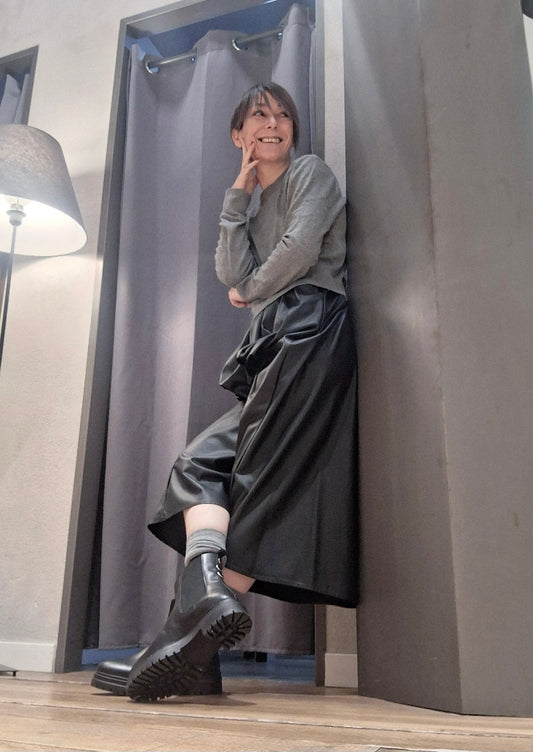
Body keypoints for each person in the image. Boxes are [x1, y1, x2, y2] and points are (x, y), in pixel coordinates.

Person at [92, 81, 358, 702]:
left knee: (255, 484)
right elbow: (227, 270)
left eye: (283, 115)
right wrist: (237, 195)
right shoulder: (253, 201)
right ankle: (194, 647)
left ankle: (181, 645)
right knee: (201, 465)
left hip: (309, 326)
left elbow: (297, 252)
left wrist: (251, 290)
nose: (273, 124)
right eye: (259, 116)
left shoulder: (311, 174)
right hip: (278, 334)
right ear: (239, 134)